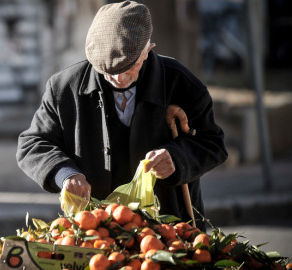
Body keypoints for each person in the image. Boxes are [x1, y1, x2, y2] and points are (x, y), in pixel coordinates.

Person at [16, 1, 227, 231]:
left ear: (148, 50)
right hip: (95, 229)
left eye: (128, 67)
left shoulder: (179, 82)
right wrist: (65, 174)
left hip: (169, 227)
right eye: (108, 72)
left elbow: (213, 143)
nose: (118, 79)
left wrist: (177, 158)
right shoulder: (65, 87)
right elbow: (32, 144)